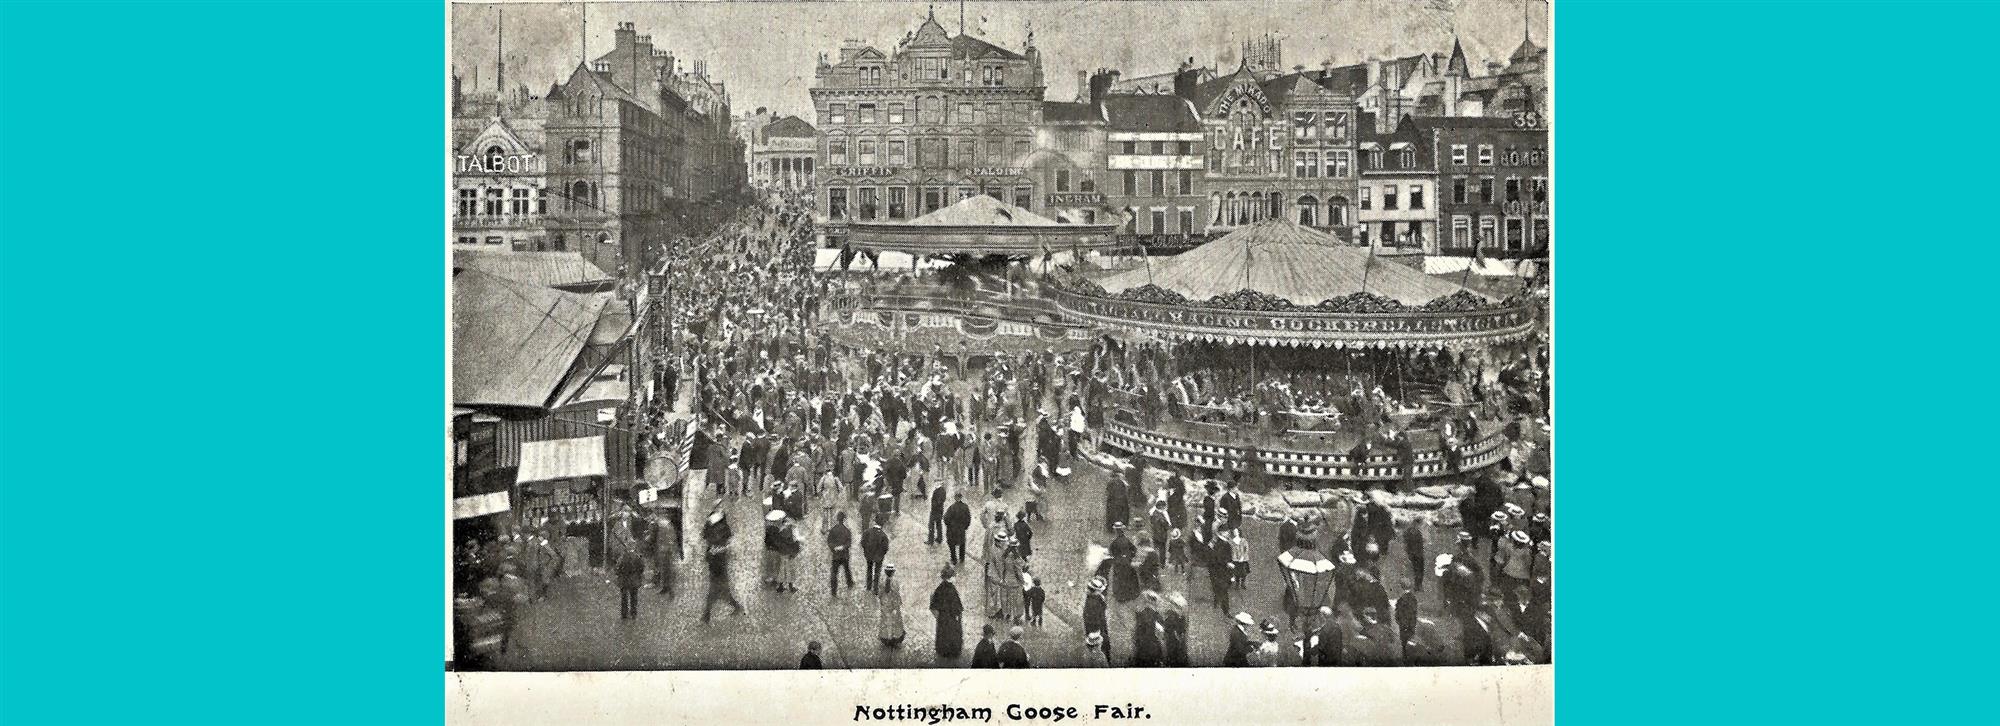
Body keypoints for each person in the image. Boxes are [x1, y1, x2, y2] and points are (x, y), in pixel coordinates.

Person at [701, 507, 745, 623]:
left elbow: (723, 543)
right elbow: (705, 536)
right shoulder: (715, 528)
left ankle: (706, 615)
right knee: (723, 591)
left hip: (718, 565)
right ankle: (736, 606)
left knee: (714, 591)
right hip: (715, 564)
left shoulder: (721, 530)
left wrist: (718, 550)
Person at [930, 566, 965, 659]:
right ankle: (953, 650)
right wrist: (959, 614)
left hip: (943, 617)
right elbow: (957, 604)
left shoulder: (939, 588)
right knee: (953, 633)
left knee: (943, 634)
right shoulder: (951, 589)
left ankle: (943, 650)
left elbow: (933, 605)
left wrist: (938, 617)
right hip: (952, 617)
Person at [826, 510, 854, 596]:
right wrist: (843, 547)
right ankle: (849, 583)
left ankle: (833, 590)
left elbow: (829, 541)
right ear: (844, 519)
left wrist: (834, 548)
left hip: (836, 556)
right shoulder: (847, 530)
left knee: (834, 573)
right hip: (845, 555)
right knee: (847, 570)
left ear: (837, 519)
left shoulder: (833, 530)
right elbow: (849, 543)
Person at [878, 564, 907, 648]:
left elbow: (880, 593)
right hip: (893, 604)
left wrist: (881, 600)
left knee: (886, 620)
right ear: (893, 572)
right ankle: (895, 637)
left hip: (885, 603)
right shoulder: (895, 582)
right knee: (895, 620)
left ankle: (887, 637)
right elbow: (896, 593)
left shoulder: (882, 581)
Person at [1083, 576, 1111, 662]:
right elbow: (1093, 619)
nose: (1101, 591)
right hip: (1096, 627)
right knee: (1100, 644)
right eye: (1100, 590)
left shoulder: (1094, 597)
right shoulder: (1093, 602)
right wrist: (1097, 631)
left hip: (1097, 625)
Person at [615, 547, 645, 620]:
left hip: (624, 580)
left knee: (624, 597)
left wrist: (619, 575)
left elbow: (617, 568)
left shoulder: (622, 558)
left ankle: (624, 614)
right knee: (634, 597)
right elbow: (642, 568)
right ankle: (633, 613)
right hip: (634, 580)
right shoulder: (637, 557)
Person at [862, 518, 890, 592]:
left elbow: (863, 542)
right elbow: (885, 548)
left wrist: (866, 551)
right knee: (877, 572)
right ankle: (875, 588)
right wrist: (881, 555)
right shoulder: (883, 535)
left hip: (869, 556)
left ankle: (868, 587)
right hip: (879, 557)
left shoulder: (867, 532)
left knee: (869, 569)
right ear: (882, 524)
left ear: (875, 522)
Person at [944, 492, 972, 564]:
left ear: (955, 498)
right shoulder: (965, 507)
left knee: (951, 544)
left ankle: (954, 559)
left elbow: (946, 518)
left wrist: (949, 525)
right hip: (961, 529)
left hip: (952, 529)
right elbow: (968, 518)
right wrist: (965, 527)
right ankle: (962, 558)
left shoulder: (951, 507)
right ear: (961, 498)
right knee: (962, 543)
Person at [926, 479, 948, 544]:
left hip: (935, 511)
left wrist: (934, 505)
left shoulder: (938, 491)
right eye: (935, 482)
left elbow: (939, 501)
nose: (935, 484)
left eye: (936, 482)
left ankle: (930, 540)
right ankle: (939, 538)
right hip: (940, 510)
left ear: (940, 483)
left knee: (931, 525)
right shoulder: (943, 490)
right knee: (938, 524)